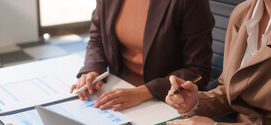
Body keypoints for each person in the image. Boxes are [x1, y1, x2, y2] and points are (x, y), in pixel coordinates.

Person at [70, 0, 214, 111]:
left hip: (164, 101)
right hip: (117, 90)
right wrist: (92, 69)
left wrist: (143, 92)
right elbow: (99, 37)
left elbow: (198, 71)